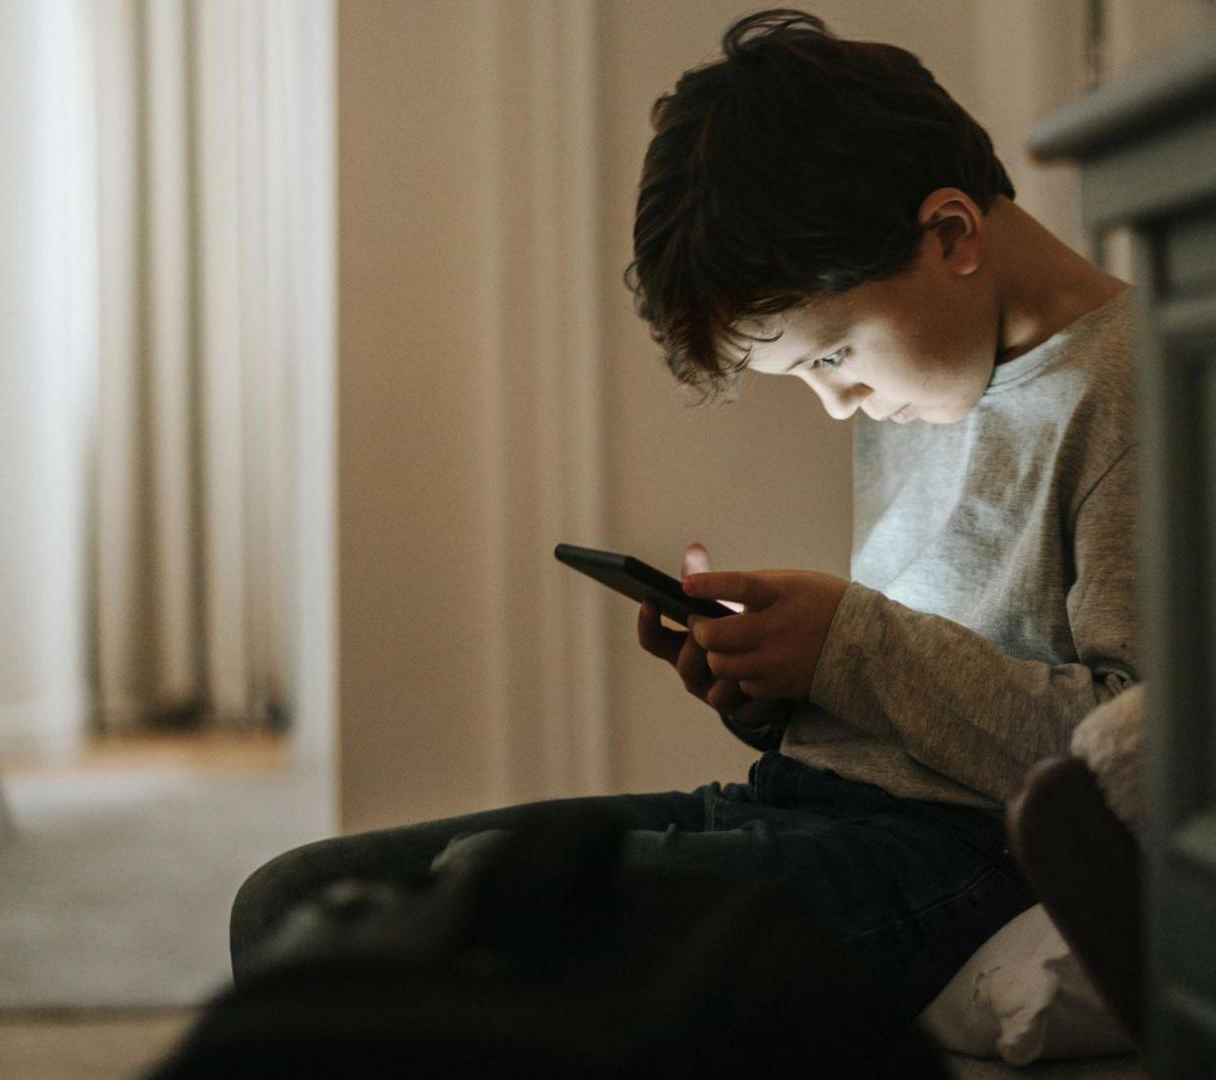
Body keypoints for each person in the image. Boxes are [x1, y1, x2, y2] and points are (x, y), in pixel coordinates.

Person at [231, 9, 1139, 1015]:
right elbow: (910, 698)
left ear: (951, 235)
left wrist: (851, 644)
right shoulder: (935, 370)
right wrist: (780, 689)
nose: (837, 401)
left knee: (486, 901)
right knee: (292, 902)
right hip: (807, 804)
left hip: (963, 850)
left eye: (832, 356)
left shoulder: (1136, 389)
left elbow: (1133, 756)